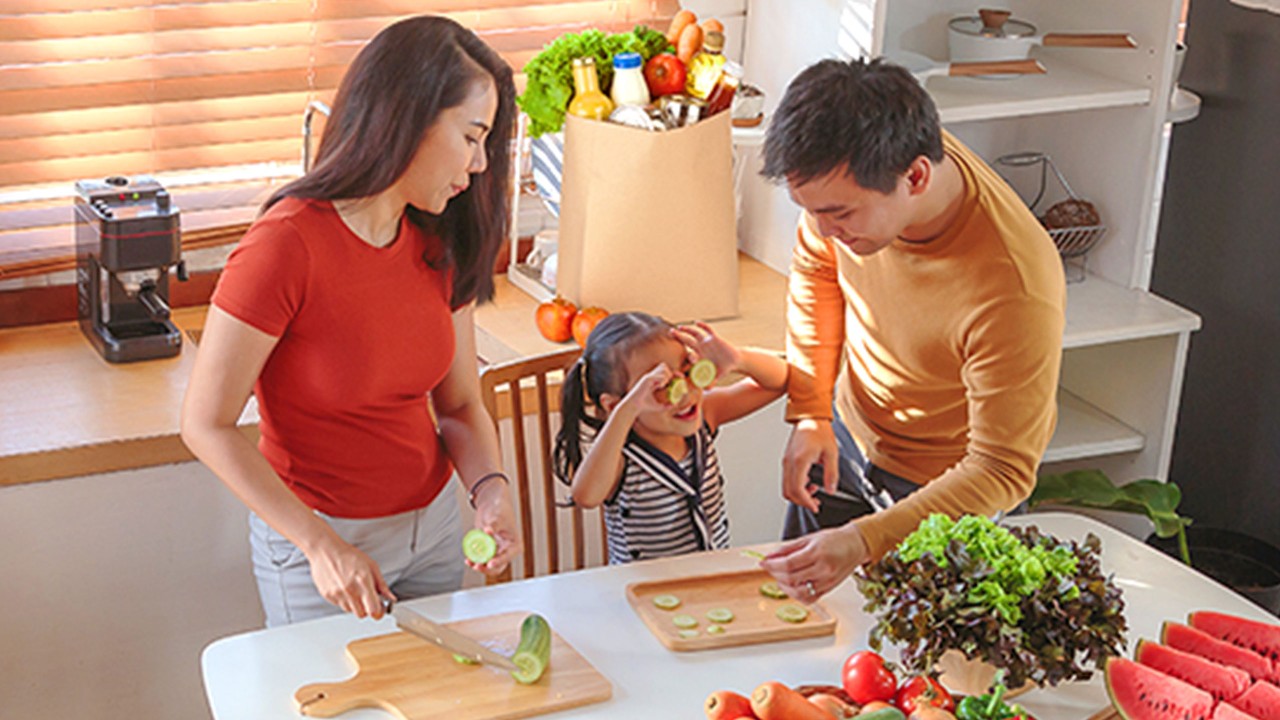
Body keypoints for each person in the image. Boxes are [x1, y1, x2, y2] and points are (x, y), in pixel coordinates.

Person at [180, 16, 522, 627]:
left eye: (485, 144)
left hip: (437, 531)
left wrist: (489, 490)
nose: (477, 165)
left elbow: (461, 404)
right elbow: (205, 424)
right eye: (471, 137)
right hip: (324, 548)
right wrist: (320, 547)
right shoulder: (284, 247)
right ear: (409, 117)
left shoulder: (442, 239)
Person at [756, 57, 1066, 602]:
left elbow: (1001, 469)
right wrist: (811, 411)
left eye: (839, 214)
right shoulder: (864, 165)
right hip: (845, 442)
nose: (822, 230)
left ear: (916, 177)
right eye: (810, 210)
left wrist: (866, 539)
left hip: (943, 490)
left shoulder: (1014, 287)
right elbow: (816, 270)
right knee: (801, 635)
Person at [553, 313, 788, 564]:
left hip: (710, 579)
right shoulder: (620, 454)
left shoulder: (706, 416)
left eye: (688, 372)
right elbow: (586, 496)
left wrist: (738, 359)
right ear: (617, 405)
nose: (684, 393)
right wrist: (627, 410)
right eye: (660, 387)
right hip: (643, 591)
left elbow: (779, 382)